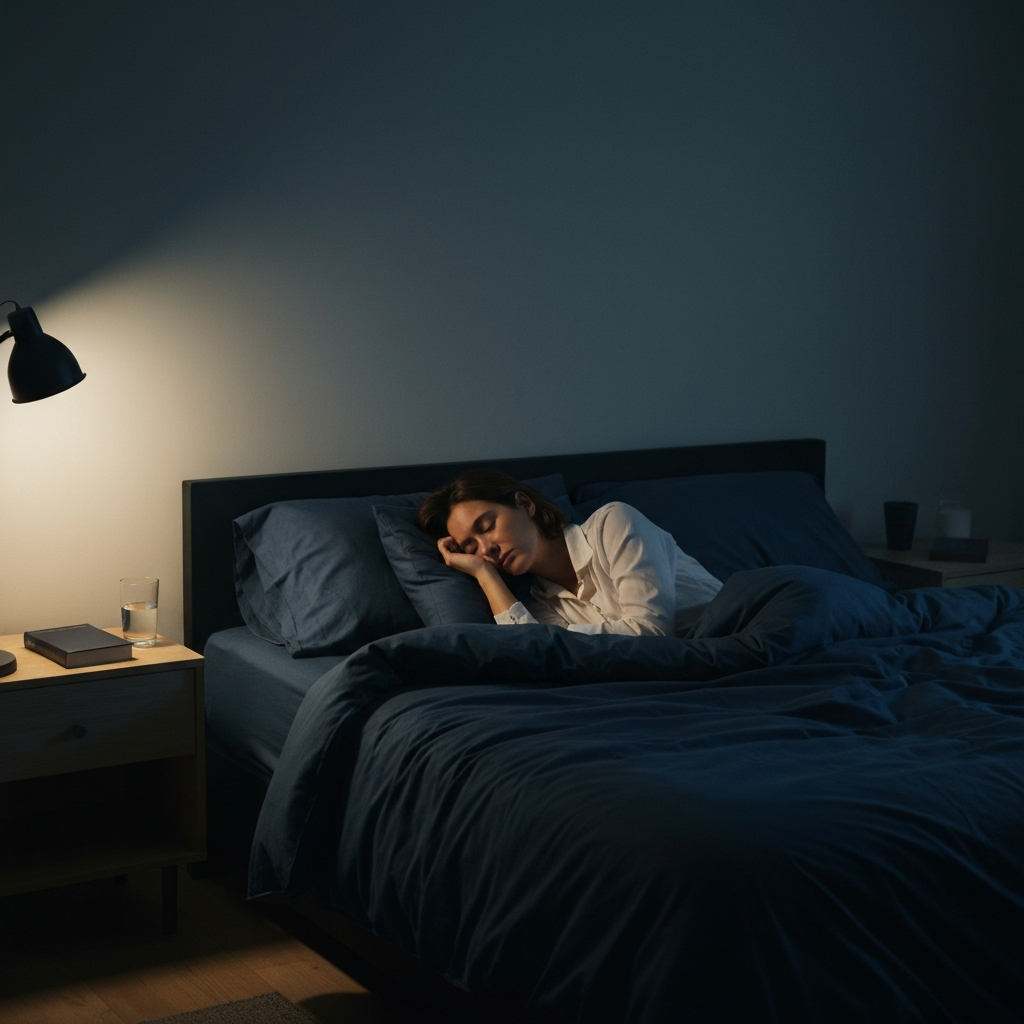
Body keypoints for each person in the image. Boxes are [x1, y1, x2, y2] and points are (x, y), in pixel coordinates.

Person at [417, 469, 723, 636]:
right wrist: (484, 574)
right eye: (472, 548)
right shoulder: (540, 604)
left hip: (746, 630)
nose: (487, 549)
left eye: (487, 526)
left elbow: (653, 632)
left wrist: (571, 639)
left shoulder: (613, 523)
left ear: (525, 505)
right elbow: (536, 652)